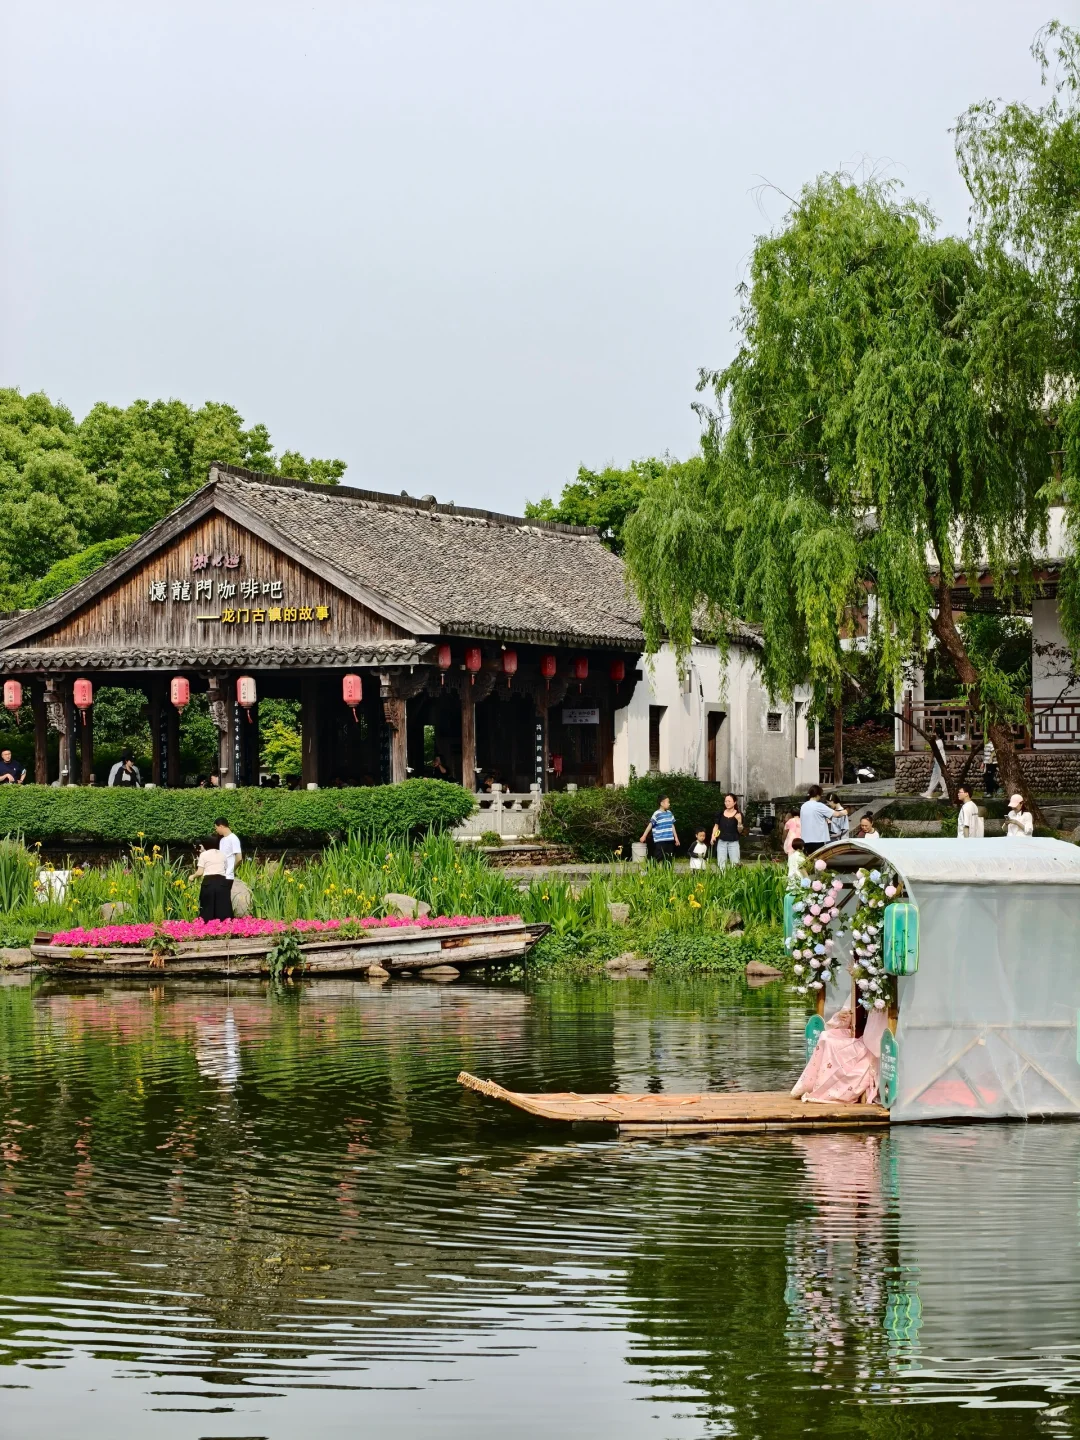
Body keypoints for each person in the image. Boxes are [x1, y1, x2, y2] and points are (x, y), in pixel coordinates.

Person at [196, 836, 233, 921]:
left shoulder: (203, 854)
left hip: (208, 883)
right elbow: (226, 868)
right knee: (223, 908)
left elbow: (200, 872)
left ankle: (207, 926)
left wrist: (192, 877)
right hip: (222, 883)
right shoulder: (223, 854)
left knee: (207, 907)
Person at [800, 785, 840, 855]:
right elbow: (836, 814)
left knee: (808, 858)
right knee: (818, 859)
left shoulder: (803, 806)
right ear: (818, 795)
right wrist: (844, 812)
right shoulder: (819, 805)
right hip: (818, 839)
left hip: (805, 839)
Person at [640, 794, 678, 863]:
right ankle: (649, 869)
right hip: (660, 840)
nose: (669, 804)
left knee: (668, 859)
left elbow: (672, 825)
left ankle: (667, 870)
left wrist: (676, 838)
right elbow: (650, 825)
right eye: (668, 802)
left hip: (669, 840)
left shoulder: (670, 813)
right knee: (657, 857)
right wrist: (644, 836)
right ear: (662, 803)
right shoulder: (657, 814)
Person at [711, 793, 743, 869]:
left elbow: (740, 831)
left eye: (729, 801)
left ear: (734, 802)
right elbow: (716, 826)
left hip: (734, 842)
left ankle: (734, 876)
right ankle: (722, 876)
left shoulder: (739, 814)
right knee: (721, 863)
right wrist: (713, 836)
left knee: (735, 863)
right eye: (725, 801)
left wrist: (739, 821)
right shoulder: (720, 814)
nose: (727, 803)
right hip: (721, 841)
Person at [214, 817, 242, 882]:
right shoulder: (222, 840)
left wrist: (232, 870)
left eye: (216, 828)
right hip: (221, 875)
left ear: (221, 826)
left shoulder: (233, 838)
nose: (216, 830)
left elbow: (239, 858)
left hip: (228, 876)